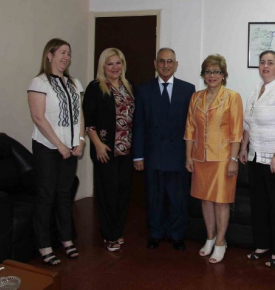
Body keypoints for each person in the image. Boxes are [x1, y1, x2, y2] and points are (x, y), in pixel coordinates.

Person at [27, 38, 84, 265]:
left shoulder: (74, 83)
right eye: (61, 52)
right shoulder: (39, 82)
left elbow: (79, 114)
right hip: (47, 148)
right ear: (49, 55)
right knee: (46, 195)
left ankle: (67, 240)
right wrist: (59, 145)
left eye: (68, 53)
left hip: (70, 149)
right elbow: (38, 118)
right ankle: (44, 245)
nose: (66, 57)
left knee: (64, 194)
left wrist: (79, 140)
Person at [133, 48, 195, 251]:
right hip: (153, 155)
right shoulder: (143, 89)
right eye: (161, 61)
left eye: (170, 61)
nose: (166, 65)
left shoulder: (188, 89)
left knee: (178, 199)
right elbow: (139, 124)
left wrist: (190, 155)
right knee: (154, 198)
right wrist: (138, 156)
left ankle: (177, 235)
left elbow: (192, 125)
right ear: (155, 64)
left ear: (176, 64)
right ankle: (156, 233)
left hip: (178, 155)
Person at [239, 50, 275, 267]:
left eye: (270, 63)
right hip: (255, 156)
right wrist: (244, 147)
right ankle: (262, 244)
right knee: (259, 204)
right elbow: (248, 123)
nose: (265, 66)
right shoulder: (256, 90)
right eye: (262, 62)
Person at [184, 54, 243, 264]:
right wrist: (188, 156)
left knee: (220, 202)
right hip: (200, 157)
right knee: (205, 200)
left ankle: (220, 242)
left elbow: (237, 132)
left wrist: (233, 159)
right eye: (208, 71)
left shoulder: (232, 97)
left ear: (224, 75)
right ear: (203, 74)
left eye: (217, 71)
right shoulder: (196, 97)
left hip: (222, 158)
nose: (212, 75)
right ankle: (209, 238)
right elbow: (190, 129)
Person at [83, 48, 135, 252]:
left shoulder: (128, 86)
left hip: (126, 150)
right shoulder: (95, 87)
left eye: (118, 63)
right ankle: (108, 235)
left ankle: (117, 231)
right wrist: (97, 144)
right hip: (105, 149)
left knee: (122, 193)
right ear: (103, 66)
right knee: (107, 194)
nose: (115, 67)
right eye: (110, 63)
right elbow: (89, 120)